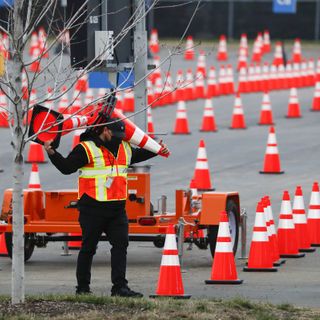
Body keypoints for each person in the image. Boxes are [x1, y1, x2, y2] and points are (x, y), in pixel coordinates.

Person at [44, 117, 169, 297]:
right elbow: (67, 168)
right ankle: (83, 289)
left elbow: (138, 155)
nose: (119, 138)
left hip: (117, 209)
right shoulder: (86, 148)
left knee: (120, 246)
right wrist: (52, 153)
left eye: (121, 135)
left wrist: (156, 149)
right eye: (115, 134)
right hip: (92, 208)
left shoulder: (124, 148)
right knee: (88, 248)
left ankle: (119, 287)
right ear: (104, 130)